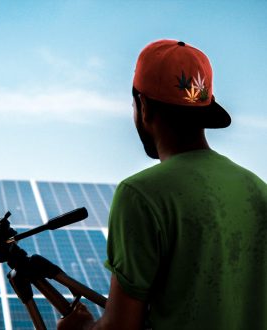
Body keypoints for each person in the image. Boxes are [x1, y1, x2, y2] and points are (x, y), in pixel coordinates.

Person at [57, 39, 267, 330]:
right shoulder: (258, 189)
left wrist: (80, 328)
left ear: (143, 107)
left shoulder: (140, 195)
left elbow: (120, 327)